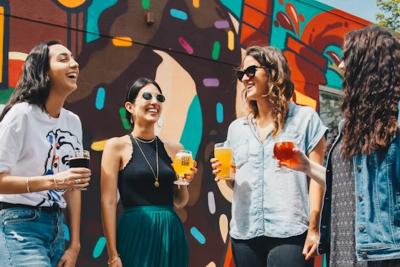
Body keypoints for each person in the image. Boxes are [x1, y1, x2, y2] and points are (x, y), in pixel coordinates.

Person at [278, 26, 400, 267]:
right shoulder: (349, 123)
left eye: (347, 58)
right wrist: (306, 166)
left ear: (367, 64)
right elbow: (347, 186)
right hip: (344, 246)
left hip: (381, 254)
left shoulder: (394, 120)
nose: (341, 66)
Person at [211, 46, 327, 267]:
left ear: (274, 72)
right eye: (241, 74)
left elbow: (316, 180)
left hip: (290, 232)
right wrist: (229, 175)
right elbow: (234, 182)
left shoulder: (305, 119)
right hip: (245, 235)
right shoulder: (237, 129)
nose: (245, 78)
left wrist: (314, 228)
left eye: (251, 71)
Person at [0, 41, 91, 267]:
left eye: (73, 58)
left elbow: (73, 187)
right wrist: (54, 180)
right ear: (44, 71)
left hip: (57, 230)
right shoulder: (21, 115)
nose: (75, 64)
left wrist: (75, 245)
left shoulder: (73, 121)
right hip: (18, 224)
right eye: (63, 59)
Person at [101, 77, 197, 267]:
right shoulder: (116, 146)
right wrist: (113, 254)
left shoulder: (176, 149)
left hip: (170, 232)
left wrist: (184, 182)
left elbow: (180, 201)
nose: (155, 102)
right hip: (135, 231)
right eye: (147, 96)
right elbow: (108, 201)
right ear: (130, 107)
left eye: (159, 98)